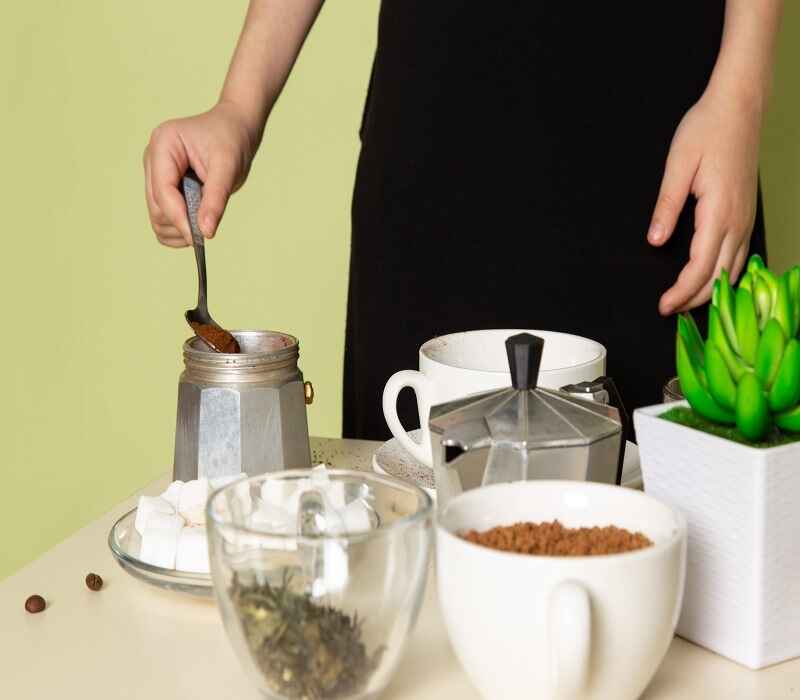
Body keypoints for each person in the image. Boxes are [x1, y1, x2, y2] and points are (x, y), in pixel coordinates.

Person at [144, 1, 782, 441]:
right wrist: (238, 107)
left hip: (660, 153)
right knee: (411, 535)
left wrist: (741, 96)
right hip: (433, 154)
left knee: (681, 550)